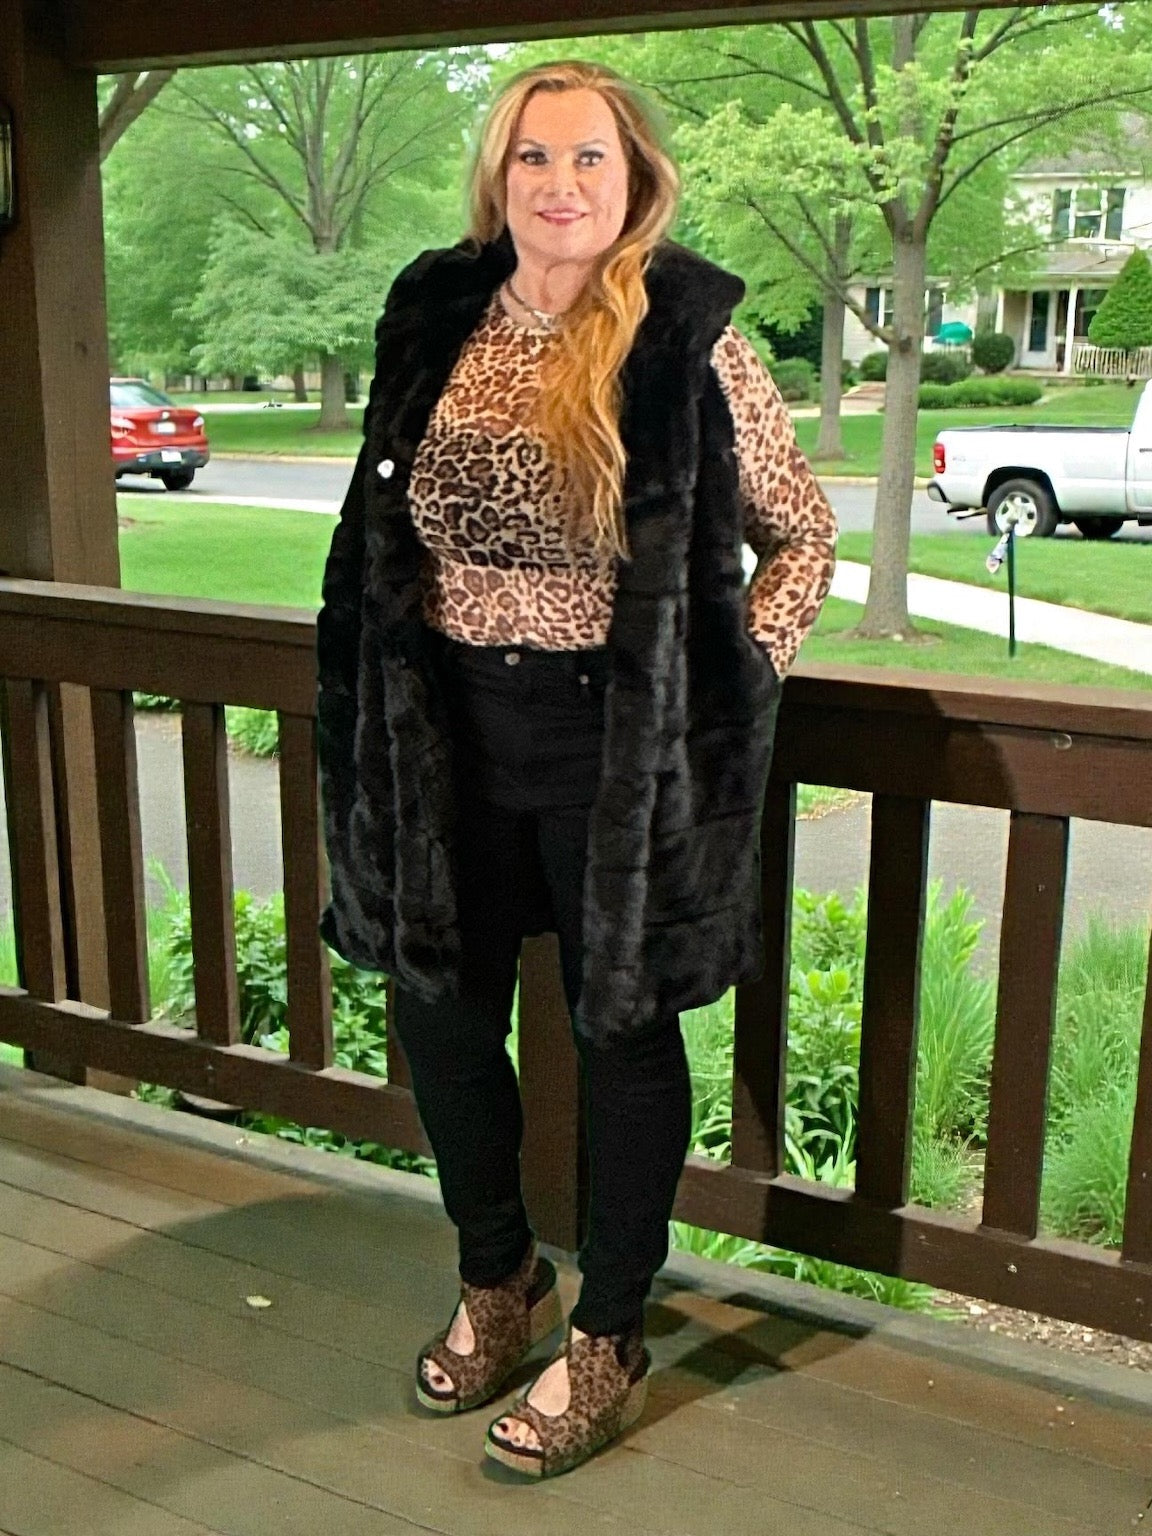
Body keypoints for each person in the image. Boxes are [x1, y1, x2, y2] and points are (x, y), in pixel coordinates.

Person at [316, 59, 837, 1479]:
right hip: (441, 734)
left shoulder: (686, 333)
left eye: (587, 159)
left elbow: (803, 538)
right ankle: (500, 1281)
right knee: (436, 1016)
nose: (559, 185)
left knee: (621, 1038)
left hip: (616, 746)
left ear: (636, 176)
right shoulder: (435, 314)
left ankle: (608, 1331)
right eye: (532, 157)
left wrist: (735, 682)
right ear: (500, 176)